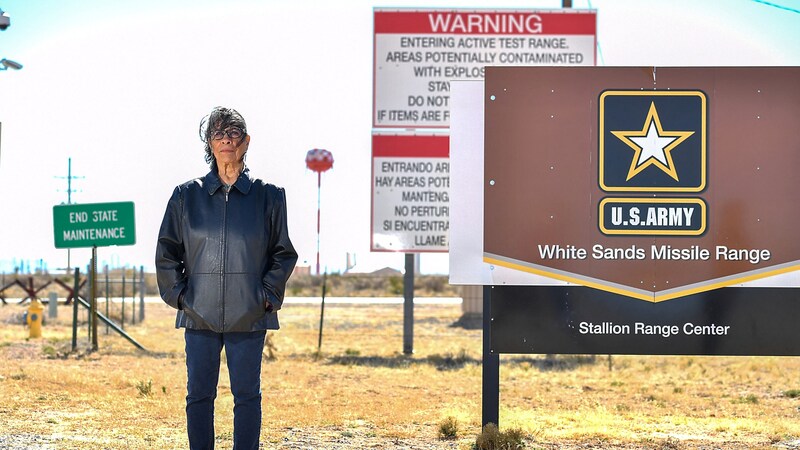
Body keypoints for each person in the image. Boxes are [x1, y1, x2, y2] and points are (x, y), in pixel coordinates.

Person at [155, 106, 297, 450]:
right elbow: (167, 253)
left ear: (246, 142)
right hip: (198, 315)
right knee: (198, 397)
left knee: (247, 397)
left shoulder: (269, 196)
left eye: (233, 133)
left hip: (249, 315)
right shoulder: (185, 196)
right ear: (209, 143)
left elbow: (283, 254)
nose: (226, 140)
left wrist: (265, 297)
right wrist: (182, 298)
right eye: (218, 134)